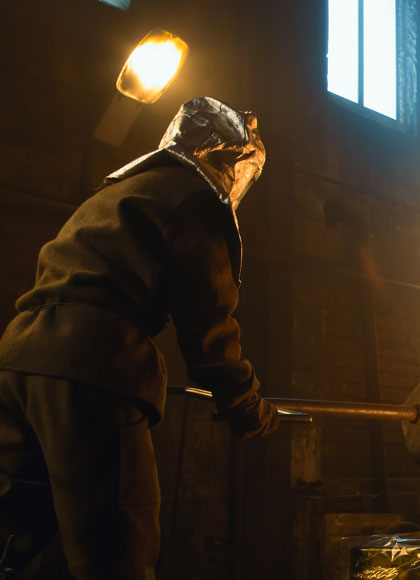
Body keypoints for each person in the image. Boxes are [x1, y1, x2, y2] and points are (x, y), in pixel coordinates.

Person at [0, 97, 279, 579]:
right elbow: (208, 324)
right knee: (117, 553)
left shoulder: (120, 191)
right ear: (231, 162)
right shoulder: (194, 198)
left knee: (15, 537)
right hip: (90, 369)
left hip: (17, 360)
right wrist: (245, 402)